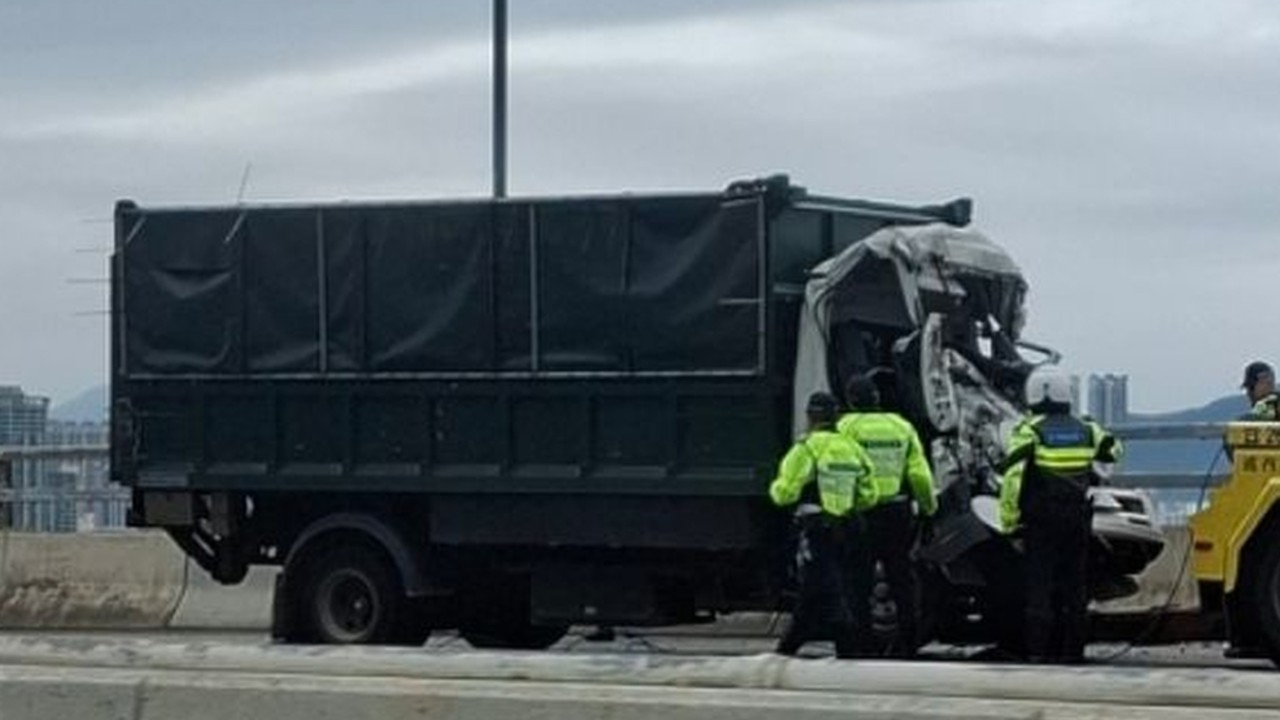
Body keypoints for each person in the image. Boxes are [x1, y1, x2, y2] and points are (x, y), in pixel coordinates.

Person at [998, 366, 1121, 664]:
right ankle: (1073, 652)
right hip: (1077, 518)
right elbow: (1114, 451)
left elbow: (1013, 478)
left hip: (1041, 521)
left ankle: (1038, 651)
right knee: (1074, 587)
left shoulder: (1029, 430)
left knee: (1039, 586)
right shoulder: (1087, 428)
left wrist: (1009, 522)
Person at [770, 391, 878, 658]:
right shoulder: (852, 448)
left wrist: (776, 491)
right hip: (847, 528)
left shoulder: (806, 448)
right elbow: (869, 493)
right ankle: (792, 646)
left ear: (810, 417)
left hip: (816, 527)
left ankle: (841, 647)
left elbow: (785, 493)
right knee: (825, 587)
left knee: (823, 587)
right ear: (836, 416)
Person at [838, 375, 937, 658]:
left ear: (851, 401)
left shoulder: (845, 428)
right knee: (902, 581)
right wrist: (928, 510)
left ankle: (861, 646)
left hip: (860, 514)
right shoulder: (901, 427)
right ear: (877, 398)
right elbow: (919, 475)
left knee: (857, 583)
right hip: (897, 513)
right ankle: (909, 645)